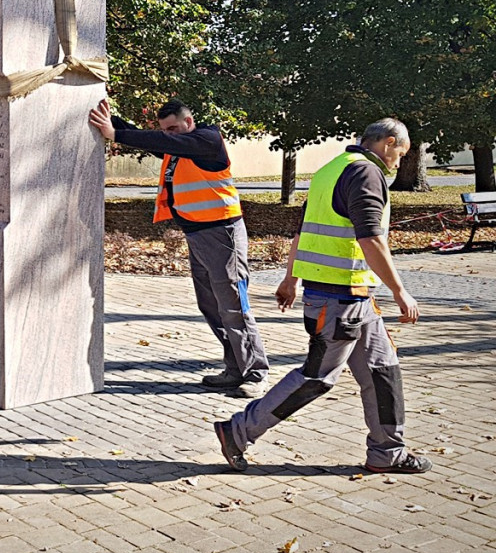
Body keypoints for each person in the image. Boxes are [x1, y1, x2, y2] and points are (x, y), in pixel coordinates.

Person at [214, 118, 432, 475]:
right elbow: (371, 239)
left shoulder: (330, 170)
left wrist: (290, 278)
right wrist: (400, 290)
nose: (398, 163)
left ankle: (387, 452)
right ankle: (236, 432)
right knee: (317, 377)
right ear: (389, 143)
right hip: (340, 301)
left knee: (383, 371)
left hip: (354, 299)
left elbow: (304, 230)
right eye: (400, 154)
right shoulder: (366, 173)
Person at [89, 98, 270, 397]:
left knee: (233, 305)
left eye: (173, 128)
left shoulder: (207, 140)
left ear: (189, 122)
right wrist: (111, 120)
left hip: (222, 233)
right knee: (211, 305)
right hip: (198, 234)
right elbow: (148, 140)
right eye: (165, 130)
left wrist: (115, 135)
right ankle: (235, 367)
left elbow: (158, 140)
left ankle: (255, 372)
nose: (169, 135)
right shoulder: (178, 148)